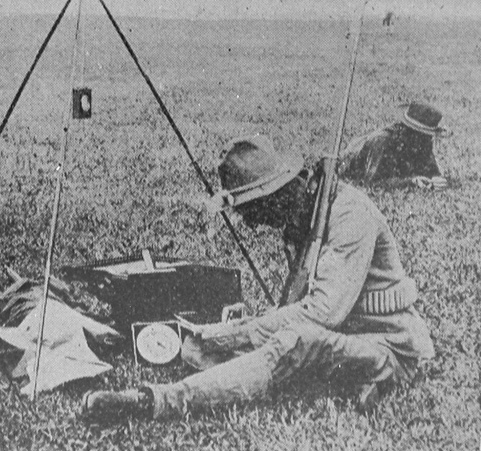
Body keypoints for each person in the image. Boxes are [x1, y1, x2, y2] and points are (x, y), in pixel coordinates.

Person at [80, 134, 435, 423]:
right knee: (196, 347)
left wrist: (240, 333)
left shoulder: (349, 215)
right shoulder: (301, 223)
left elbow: (323, 313)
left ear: (276, 196)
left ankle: (154, 401)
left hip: (386, 348)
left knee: (291, 341)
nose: (250, 223)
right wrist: (227, 335)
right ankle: (261, 375)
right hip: (335, 340)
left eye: (253, 210)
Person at [339, 101, 447, 189]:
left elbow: (430, 168)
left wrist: (436, 179)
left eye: (428, 136)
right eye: (424, 136)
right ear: (409, 131)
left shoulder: (420, 142)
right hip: (345, 168)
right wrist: (410, 182)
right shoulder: (381, 141)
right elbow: (373, 182)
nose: (427, 140)